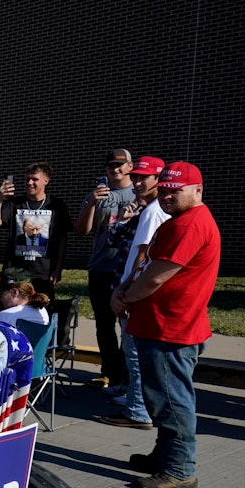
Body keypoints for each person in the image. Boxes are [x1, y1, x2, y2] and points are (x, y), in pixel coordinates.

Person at [111, 162, 220, 488]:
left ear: (197, 190)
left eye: (177, 190)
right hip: (158, 326)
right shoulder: (177, 222)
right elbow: (147, 264)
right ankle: (165, 456)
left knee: (172, 402)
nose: (169, 196)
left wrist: (125, 297)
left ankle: (179, 468)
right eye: (166, 189)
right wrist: (125, 287)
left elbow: (157, 277)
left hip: (172, 329)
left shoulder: (192, 225)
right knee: (161, 399)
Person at [99, 156, 169, 430]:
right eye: (136, 177)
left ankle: (138, 410)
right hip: (137, 288)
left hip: (134, 291)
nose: (138, 182)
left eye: (145, 178)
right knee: (138, 354)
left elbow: (142, 255)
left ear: (158, 180)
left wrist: (124, 291)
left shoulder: (153, 212)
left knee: (135, 354)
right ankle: (138, 402)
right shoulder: (150, 208)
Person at [75, 149, 137, 391]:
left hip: (126, 269)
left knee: (128, 326)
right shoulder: (97, 195)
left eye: (121, 165)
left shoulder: (138, 193)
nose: (116, 169)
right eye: (111, 165)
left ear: (130, 167)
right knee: (104, 324)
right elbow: (81, 231)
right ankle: (110, 373)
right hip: (100, 267)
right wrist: (91, 202)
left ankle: (128, 375)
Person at [0, 162, 71, 298]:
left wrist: (58, 268)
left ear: (46, 181)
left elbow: (62, 239)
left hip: (43, 273)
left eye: (35, 179)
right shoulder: (14, 203)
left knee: (41, 313)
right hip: (14, 271)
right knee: (10, 313)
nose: (29, 183)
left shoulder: (57, 205)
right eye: (27, 179)